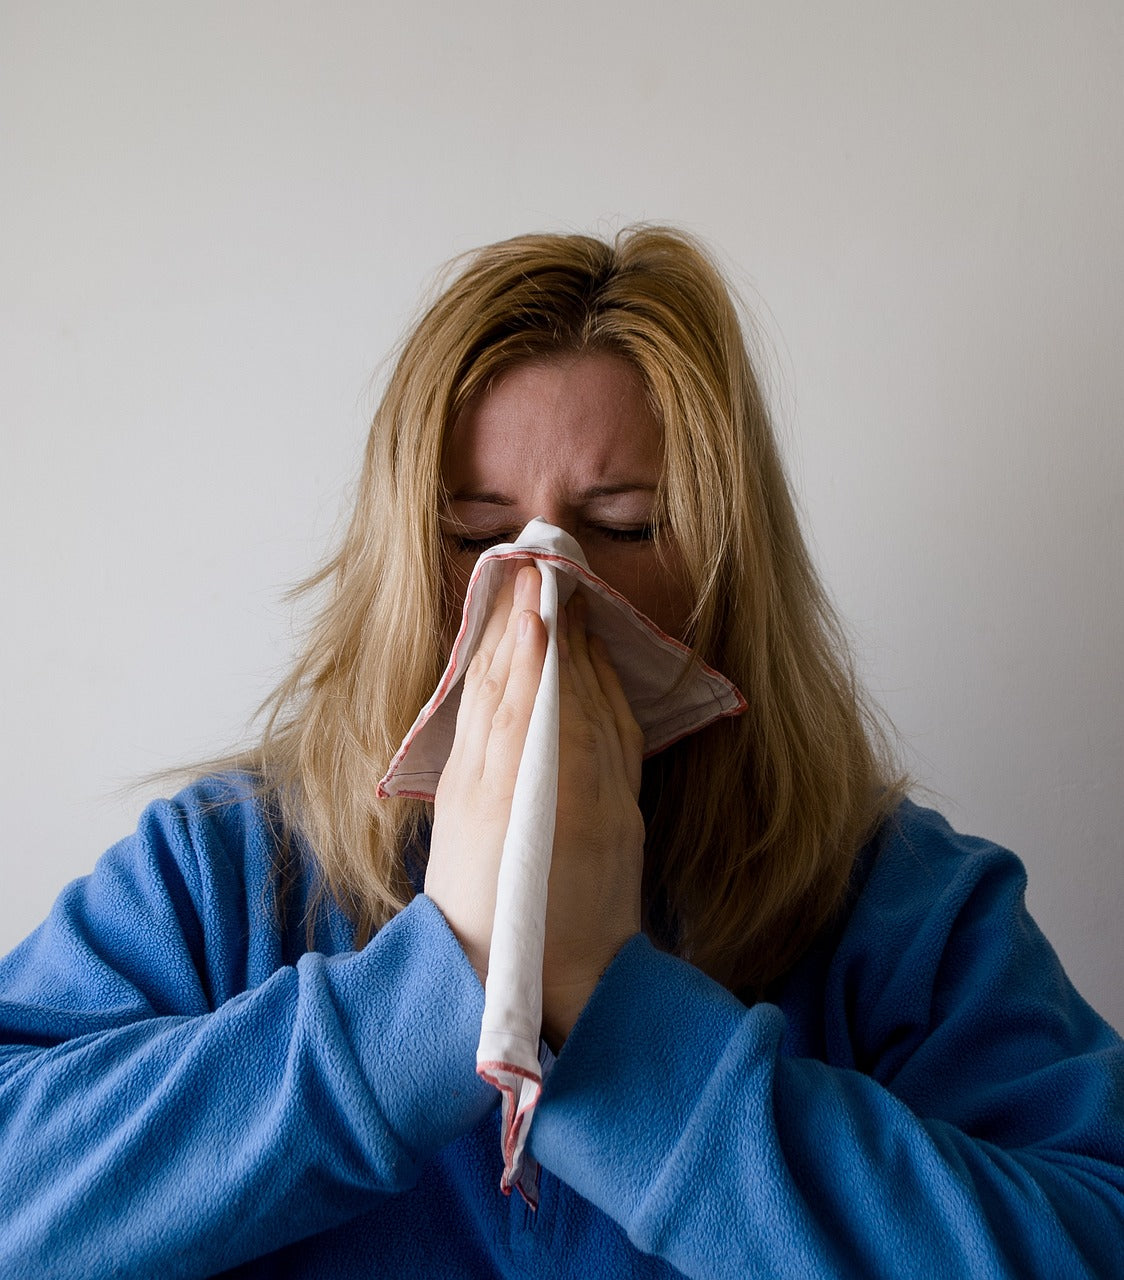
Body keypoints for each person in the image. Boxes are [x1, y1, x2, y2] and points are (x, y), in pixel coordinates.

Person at [1, 227, 1121, 1279]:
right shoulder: (228, 872)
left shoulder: (900, 903)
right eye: (475, 533)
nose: (540, 583)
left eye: (624, 524)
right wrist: (439, 991)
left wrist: (613, 1021)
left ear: (726, 568)